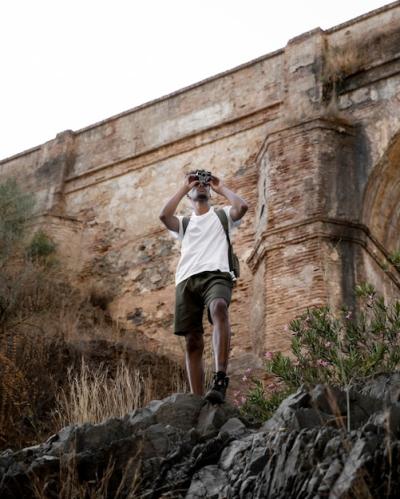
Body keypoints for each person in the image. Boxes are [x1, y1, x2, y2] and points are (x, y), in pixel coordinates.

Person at [159, 170, 248, 403]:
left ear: (210, 192)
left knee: (219, 307)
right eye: (197, 185)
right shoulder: (184, 224)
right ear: (189, 197)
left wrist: (221, 187)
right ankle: (197, 401)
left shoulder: (223, 216)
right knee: (192, 340)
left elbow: (243, 207)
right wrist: (184, 187)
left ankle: (220, 379)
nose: (201, 186)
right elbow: (163, 216)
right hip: (186, 280)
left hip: (217, 274)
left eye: (204, 185)